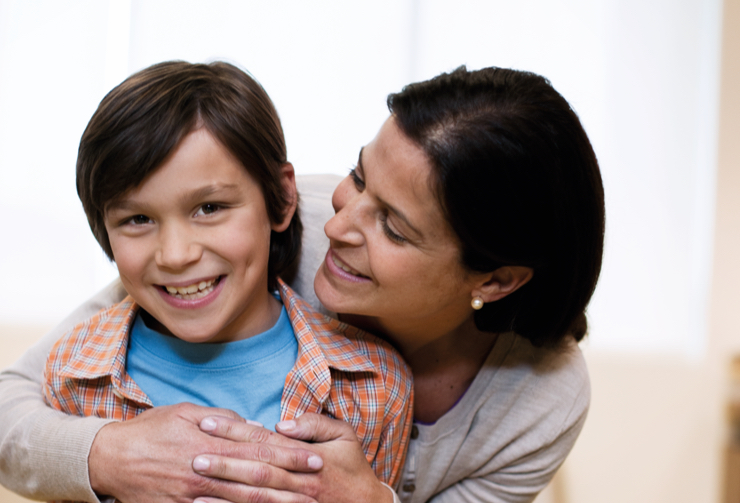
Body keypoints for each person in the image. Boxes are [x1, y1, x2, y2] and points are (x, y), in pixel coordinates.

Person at [0, 65, 604, 503]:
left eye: (392, 226)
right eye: (359, 177)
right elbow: (17, 401)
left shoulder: (541, 401)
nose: (340, 224)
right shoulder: (269, 231)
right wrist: (108, 453)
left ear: (496, 280)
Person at [33, 59, 412, 501]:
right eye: (138, 218)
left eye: (209, 208)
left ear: (283, 198)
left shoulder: (373, 384)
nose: (176, 255)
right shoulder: (74, 374)